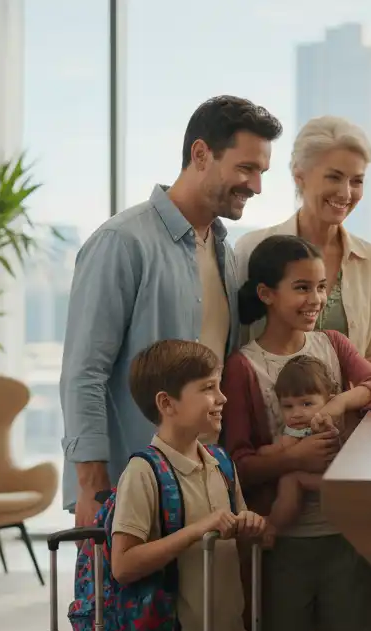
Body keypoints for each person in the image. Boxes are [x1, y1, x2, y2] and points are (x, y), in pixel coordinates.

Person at [60, 95, 283, 531]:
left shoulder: (225, 252)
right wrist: (90, 485)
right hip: (130, 492)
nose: (256, 186)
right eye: (246, 168)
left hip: (202, 487)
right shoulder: (122, 243)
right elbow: (84, 372)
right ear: (201, 155)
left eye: (261, 172)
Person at [220, 234, 371, 631]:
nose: (315, 300)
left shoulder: (334, 345)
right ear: (265, 295)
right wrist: (295, 461)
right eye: (301, 288)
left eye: (321, 287)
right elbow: (235, 463)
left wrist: (340, 401)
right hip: (282, 549)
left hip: (346, 540)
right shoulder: (242, 366)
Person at [109, 339, 267, 631]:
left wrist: (250, 526)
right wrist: (197, 530)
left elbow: (235, 532)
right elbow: (123, 565)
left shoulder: (219, 463)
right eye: (209, 388)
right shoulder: (143, 473)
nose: (222, 398)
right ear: (167, 403)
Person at [233, 115, 371, 381]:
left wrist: (364, 393)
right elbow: (235, 344)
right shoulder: (251, 249)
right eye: (334, 177)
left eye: (357, 181)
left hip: (353, 420)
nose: (346, 194)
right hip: (264, 418)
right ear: (300, 177)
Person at [256, 355, 340, 541]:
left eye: (306, 404)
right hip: (324, 480)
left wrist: (263, 453)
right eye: (288, 406)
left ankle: (274, 526)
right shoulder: (295, 428)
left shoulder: (320, 424)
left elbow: (284, 447)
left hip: (335, 482)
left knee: (290, 480)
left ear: (330, 401)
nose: (296, 413)